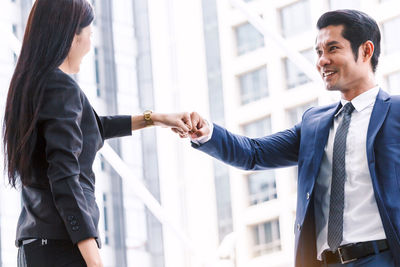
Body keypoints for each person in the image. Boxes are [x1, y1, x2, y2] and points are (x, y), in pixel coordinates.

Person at [184, 9, 399, 267]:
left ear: (365, 51)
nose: (322, 61)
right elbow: (254, 154)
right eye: (319, 52)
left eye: (332, 49)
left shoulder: (396, 112)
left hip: (383, 258)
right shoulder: (314, 123)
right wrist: (206, 132)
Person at [3, 0, 191, 266]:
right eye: (89, 34)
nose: (90, 44)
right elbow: (64, 175)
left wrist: (154, 119)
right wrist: (94, 259)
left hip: (36, 246)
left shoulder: (35, 85)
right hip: (61, 247)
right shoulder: (60, 87)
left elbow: (90, 128)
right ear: (72, 36)